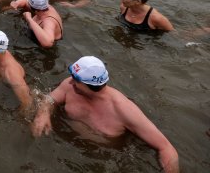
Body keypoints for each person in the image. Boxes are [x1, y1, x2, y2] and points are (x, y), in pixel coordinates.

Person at [32, 56, 179, 173]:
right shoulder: (70, 85)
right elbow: (48, 99)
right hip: (65, 148)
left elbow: (166, 148)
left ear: (91, 85)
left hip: (103, 159)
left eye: (76, 80)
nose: (70, 82)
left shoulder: (124, 110)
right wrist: (42, 115)